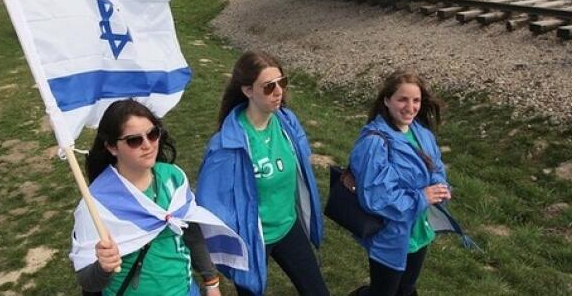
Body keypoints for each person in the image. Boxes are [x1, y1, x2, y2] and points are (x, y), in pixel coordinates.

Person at [196, 51, 328, 296]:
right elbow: (209, 203)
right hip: (253, 239)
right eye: (269, 87)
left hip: (288, 226)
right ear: (248, 91)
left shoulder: (287, 121)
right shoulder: (226, 145)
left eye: (282, 82)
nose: (279, 91)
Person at [72, 99, 223, 295]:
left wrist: (211, 282)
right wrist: (104, 267)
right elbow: (88, 282)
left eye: (152, 134)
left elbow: (191, 233)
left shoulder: (173, 178)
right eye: (134, 140)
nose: (148, 145)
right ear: (111, 147)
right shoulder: (96, 204)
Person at [348, 70, 452, 296]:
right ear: (387, 100)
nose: (410, 107)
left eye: (416, 100)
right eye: (402, 99)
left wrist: (440, 186)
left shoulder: (421, 133)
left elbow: (435, 166)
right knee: (384, 292)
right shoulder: (374, 143)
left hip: (419, 231)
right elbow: (375, 198)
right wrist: (422, 197)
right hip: (390, 235)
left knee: (406, 289)